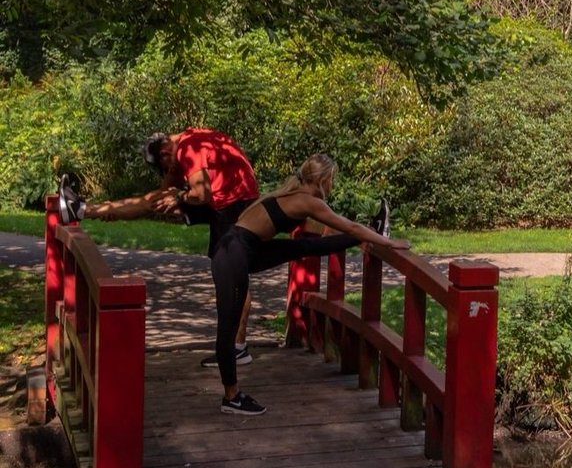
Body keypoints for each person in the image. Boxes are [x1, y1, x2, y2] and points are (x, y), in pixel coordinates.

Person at [211, 153, 404, 416]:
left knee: (305, 246)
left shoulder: (292, 194)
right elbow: (348, 225)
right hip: (233, 253)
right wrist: (388, 243)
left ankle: (376, 228)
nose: (333, 185)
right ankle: (231, 397)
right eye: (332, 180)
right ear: (324, 179)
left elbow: (327, 233)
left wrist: (360, 236)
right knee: (228, 325)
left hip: (245, 248)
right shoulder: (307, 201)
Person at [58, 128, 261, 364]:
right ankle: (81, 209)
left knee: (231, 275)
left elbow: (202, 194)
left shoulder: (188, 149)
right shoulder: (186, 140)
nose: (169, 173)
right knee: (156, 201)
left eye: (165, 168)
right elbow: (157, 197)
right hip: (228, 197)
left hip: (233, 203)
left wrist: (179, 197)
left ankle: (237, 348)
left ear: (165, 152)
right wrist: (116, 210)